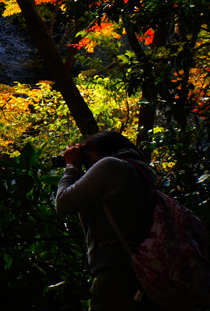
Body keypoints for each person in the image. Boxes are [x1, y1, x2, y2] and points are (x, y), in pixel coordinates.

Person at [56, 130, 160, 310]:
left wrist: (72, 167)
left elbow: (63, 203)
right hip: (146, 273)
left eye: (86, 151)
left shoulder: (112, 166)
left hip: (115, 276)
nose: (85, 158)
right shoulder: (141, 173)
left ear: (102, 148)